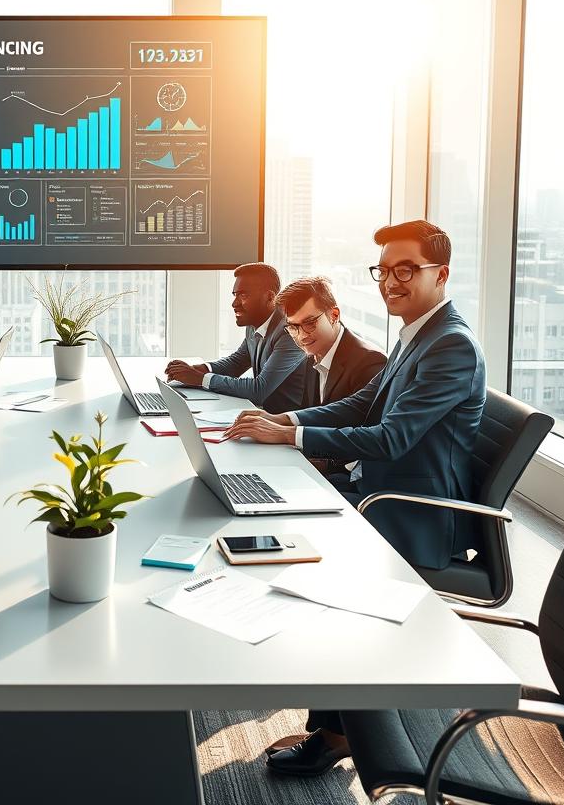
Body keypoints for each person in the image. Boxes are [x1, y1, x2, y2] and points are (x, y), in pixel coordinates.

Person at [225, 221, 486, 778]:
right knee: (277, 508)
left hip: (414, 511)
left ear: (441, 273)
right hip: (383, 489)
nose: (391, 281)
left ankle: (337, 731)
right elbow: (369, 401)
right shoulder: (419, 331)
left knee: (314, 555)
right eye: (384, 270)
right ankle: (334, 722)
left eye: (406, 269)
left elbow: (392, 436)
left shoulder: (451, 345)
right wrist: (286, 418)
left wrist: (290, 435)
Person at [165, 262, 306, 413]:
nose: (234, 303)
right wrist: (197, 370)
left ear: (270, 297)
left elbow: (259, 390)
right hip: (263, 417)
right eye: (235, 295)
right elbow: (236, 363)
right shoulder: (255, 324)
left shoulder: (290, 332)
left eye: (243, 295)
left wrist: (200, 378)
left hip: (284, 424)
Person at [277, 276, 386, 411]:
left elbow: (360, 429)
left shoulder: (370, 362)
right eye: (293, 327)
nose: (301, 336)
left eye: (310, 323)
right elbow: (308, 417)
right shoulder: (311, 358)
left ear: (334, 315)